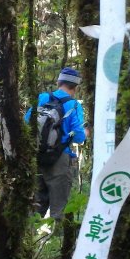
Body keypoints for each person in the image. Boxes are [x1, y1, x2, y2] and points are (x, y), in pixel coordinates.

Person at [29, 67, 87, 221]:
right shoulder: (74, 105)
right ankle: (57, 240)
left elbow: (26, 122)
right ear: (75, 87)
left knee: (36, 202)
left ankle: (29, 238)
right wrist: (86, 132)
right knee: (59, 206)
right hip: (60, 158)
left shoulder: (42, 98)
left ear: (58, 81)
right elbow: (79, 137)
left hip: (36, 156)